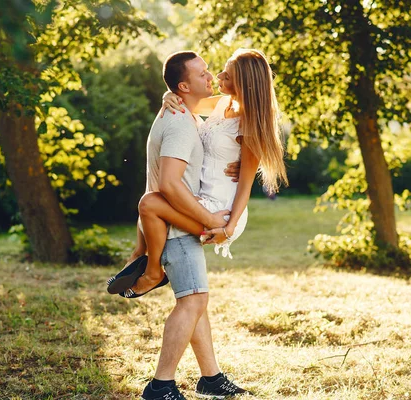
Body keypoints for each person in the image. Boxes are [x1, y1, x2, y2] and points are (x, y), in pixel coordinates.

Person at [109, 49, 287, 399]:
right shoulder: (222, 105)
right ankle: (210, 378)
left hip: (218, 208)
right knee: (194, 299)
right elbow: (188, 101)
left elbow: (247, 181)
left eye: (226, 72)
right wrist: (169, 95)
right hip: (199, 202)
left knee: (152, 206)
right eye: (215, 71)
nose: (218, 75)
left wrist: (228, 225)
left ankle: (151, 267)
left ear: (244, 82)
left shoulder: (252, 122)